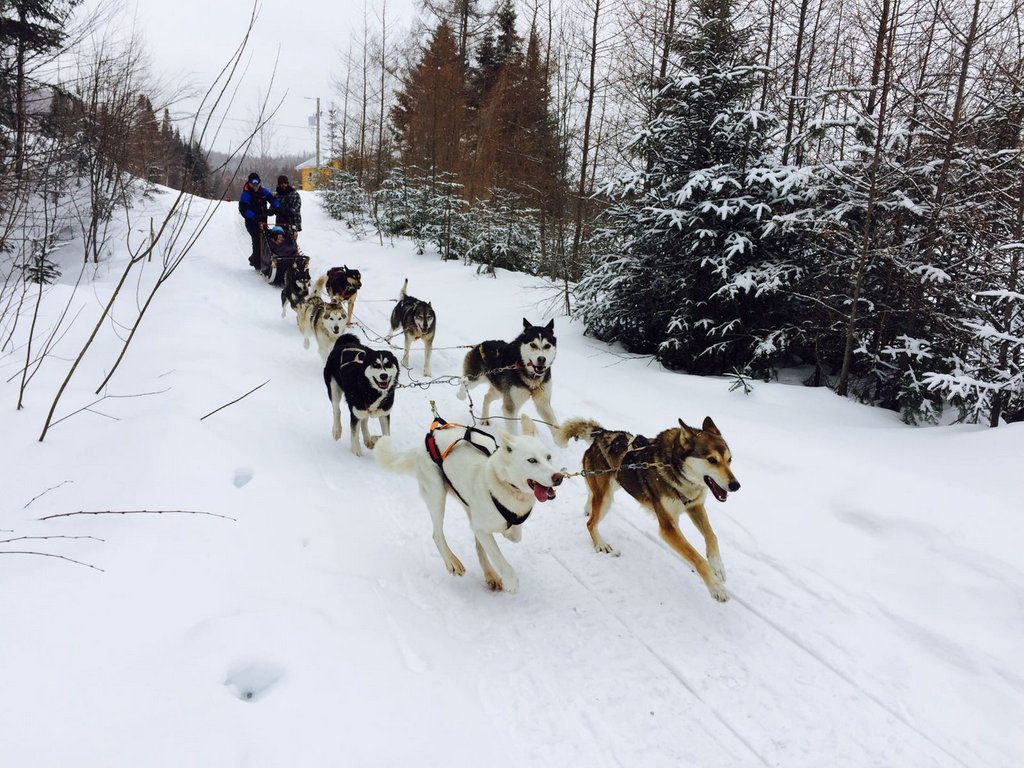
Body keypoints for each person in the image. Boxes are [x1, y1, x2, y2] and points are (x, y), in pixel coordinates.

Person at [238, 172, 281, 269]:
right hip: (251, 222)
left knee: (267, 239)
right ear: (249, 183)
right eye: (253, 182)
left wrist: (278, 207)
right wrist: (253, 216)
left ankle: (267, 259)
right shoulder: (246, 194)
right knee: (257, 239)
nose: (255, 185)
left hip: (263, 220)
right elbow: (243, 210)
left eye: (257, 182)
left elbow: (272, 200)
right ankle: (255, 261)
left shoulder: (263, 192)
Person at [275, 175, 302, 241]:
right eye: (281, 183)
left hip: (292, 223)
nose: (283, 185)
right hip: (280, 223)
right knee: (280, 243)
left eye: (285, 183)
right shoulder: (277, 196)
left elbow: (296, 207)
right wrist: (271, 211)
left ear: (287, 183)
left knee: (291, 243)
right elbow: (273, 206)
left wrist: (288, 211)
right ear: (279, 184)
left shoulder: (294, 194)